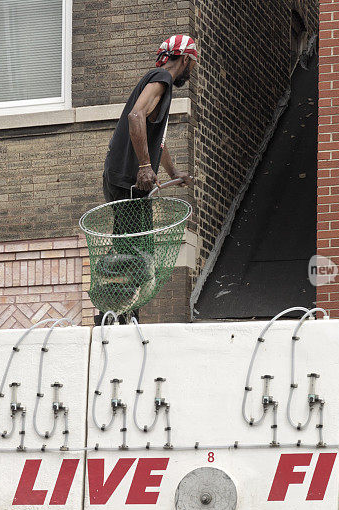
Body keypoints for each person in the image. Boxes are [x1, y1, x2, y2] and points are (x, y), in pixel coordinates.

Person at [95, 35, 198, 325]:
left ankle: (123, 313)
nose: (192, 72)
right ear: (186, 59)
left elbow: (157, 142)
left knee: (133, 246)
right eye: (193, 64)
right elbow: (135, 116)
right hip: (128, 179)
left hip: (126, 178)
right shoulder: (162, 78)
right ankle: (113, 314)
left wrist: (173, 173)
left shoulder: (160, 83)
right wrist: (143, 166)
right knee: (134, 248)